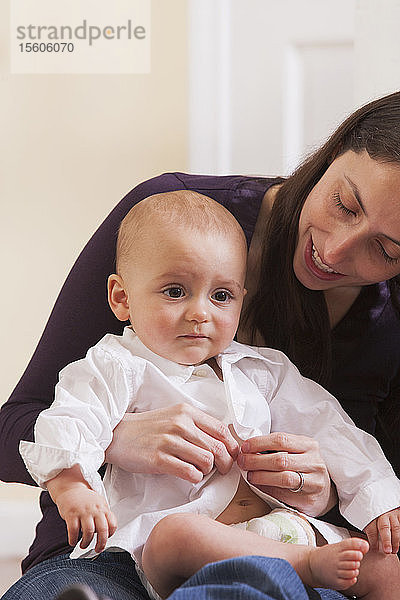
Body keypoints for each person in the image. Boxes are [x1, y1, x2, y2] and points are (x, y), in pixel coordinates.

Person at [2, 91, 400, 599]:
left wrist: (344, 494)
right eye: (344, 205)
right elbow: (39, 423)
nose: (338, 249)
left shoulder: (265, 369)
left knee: (386, 572)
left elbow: (337, 431)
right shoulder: (119, 356)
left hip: (291, 539)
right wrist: (107, 446)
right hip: (134, 548)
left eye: (386, 250)